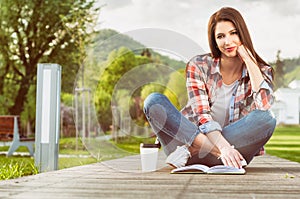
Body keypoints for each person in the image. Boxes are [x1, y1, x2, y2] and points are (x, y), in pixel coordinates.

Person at [143, 7, 276, 169]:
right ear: (214, 40)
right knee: (154, 101)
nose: (227, 41)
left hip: (232, 152)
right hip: (193, 146)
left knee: (267, 118)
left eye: (234, 33)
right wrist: (222, 149)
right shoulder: (199, 66)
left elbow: (264, 107)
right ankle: (198, 147)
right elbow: (203, 117)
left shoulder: (261, 71)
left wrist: (249, 59)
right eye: (221, 36)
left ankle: (191, 150)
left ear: (243, 33)